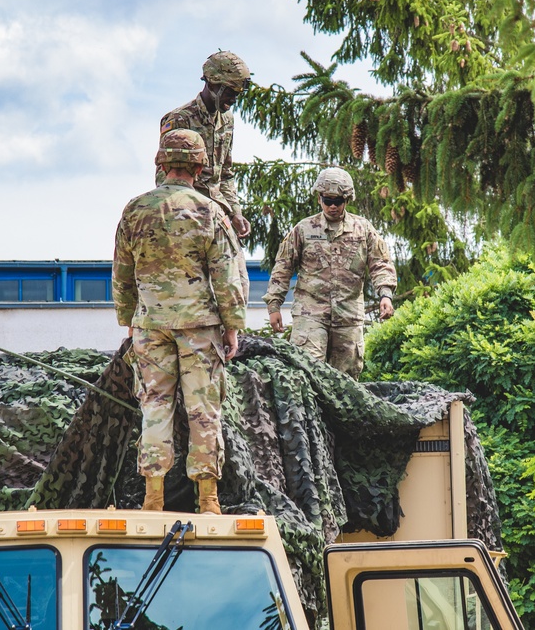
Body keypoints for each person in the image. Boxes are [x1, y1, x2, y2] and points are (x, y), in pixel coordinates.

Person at [112, 128, 246, 515]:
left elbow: (122, 273)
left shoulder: (135, 210)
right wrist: (233, 325)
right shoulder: (209, 211)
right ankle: (209, 502)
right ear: (200, 166)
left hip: (150, 325)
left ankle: (153, 498)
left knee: (155, 407)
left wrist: (129, 319)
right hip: (200, 327)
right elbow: (226, 276)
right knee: (203, 411)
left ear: (161, 163)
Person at [262, 167, 397, 378]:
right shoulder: (304, 230)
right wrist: (274, 305)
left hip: (348, 316)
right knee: (307, 372)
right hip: (310, 315)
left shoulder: (363, 230)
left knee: (345, 380)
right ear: (319, 198)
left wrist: (385, 294)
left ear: (347, 200)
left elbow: (380, 263)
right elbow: (283, 267)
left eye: (338, 201)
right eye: (327, 200)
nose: (332, 206)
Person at [159, 50, 252, 299]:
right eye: (230, 91)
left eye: (238, 93)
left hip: (219, 212)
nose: (234, 98)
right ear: (212, 83)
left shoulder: (227, 121)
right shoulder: (180, 119)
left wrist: (236, 213)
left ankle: (232, 338)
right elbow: (164, 177)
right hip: (188, 217)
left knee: (238, 287)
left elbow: (226, 174)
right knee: (196, 289)